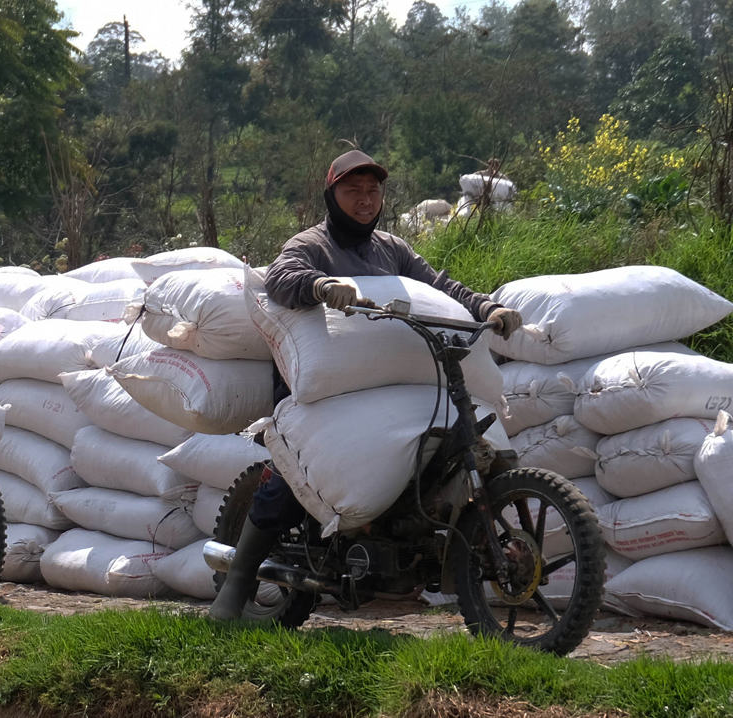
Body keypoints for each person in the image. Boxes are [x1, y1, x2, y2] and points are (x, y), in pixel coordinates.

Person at [209, 149, 522, 620]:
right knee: (302, 474)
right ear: (331, 195)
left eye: (373, 190)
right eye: (353, 190)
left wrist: (486, 308)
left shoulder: (392, 249)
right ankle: (235, 586)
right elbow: (281, 277)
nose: (364, 199)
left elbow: (440, 287)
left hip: (387, 385)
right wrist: (319, 286)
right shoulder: (311, 244)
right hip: (321, 391)